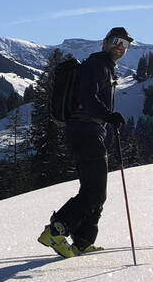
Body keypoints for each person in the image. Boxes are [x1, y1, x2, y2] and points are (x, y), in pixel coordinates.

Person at [37, 27, 133, 258]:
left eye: (125, 44)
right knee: (96, 193)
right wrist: (108, 115)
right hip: (86, 131)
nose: (120, 46)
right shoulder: (97, 65)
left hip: (87, 132)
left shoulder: (106, 68)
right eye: (115, 41)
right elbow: (87, 96)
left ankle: (82, 241)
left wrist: (106, 120)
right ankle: (56, 230)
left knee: (92, 190)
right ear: (105, 42)